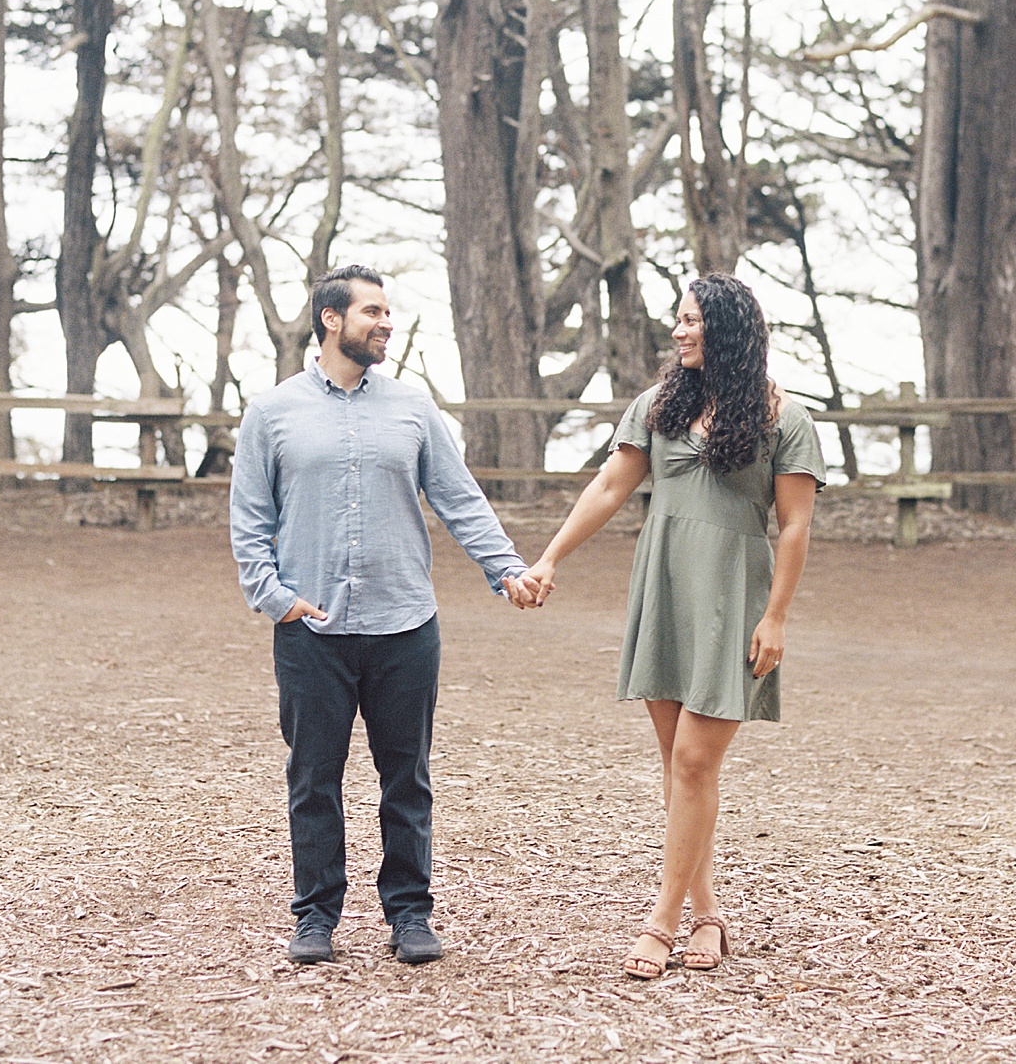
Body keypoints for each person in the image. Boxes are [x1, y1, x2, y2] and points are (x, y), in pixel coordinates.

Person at [229, 265, 542, 966]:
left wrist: (507, 568)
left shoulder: (412, 407)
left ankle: (409, 915)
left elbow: (459, 498)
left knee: (408, 778)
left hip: (405, 626)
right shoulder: (271, 412)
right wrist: (276, 599)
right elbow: (249, 523)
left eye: (388, 311)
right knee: (314, 780)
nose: (387, 322)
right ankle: (315, 917)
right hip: (311, 632)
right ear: (331, 319)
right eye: (373, 310)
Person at [522, 273, 825, 978]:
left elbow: (797, 525)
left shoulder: (786, 417)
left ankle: (662, 919)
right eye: (678, 321)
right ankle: (709, 914)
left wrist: (776, 616)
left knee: (693, 762)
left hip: (734, 601)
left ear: (728, 329)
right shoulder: (657, 405)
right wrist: (551, 556)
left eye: (692, 321)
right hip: (663, 591)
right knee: (680, 768)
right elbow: (608, 487)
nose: (680, 332)